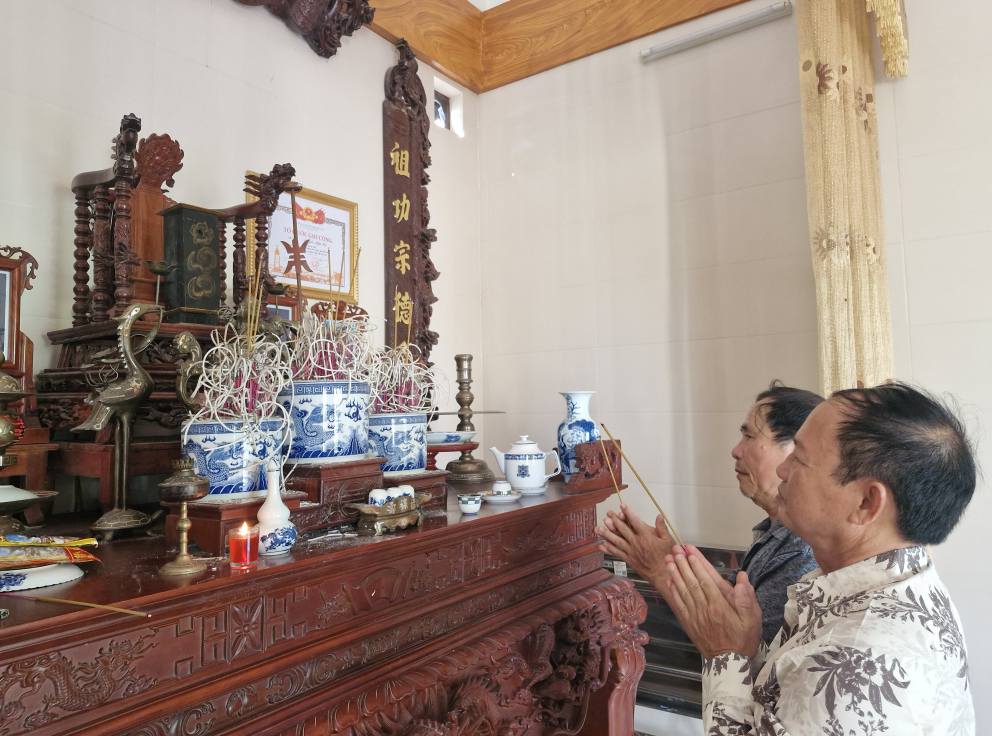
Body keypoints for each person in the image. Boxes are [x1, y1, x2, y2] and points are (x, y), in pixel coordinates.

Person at [664, 383, 975, 734]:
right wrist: (747, 649)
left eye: (799, 458)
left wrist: (725, 655)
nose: (782, 471)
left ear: (866, 503)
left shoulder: (856, 666)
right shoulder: (896, 581)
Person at [597, 382, 823, 644]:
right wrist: (673, 560)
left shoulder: (804, 552)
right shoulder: (773, 533)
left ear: (795, 452)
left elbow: (747, 657)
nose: (736, 450)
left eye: (749, 437)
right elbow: (733, 613)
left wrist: (661, 569)